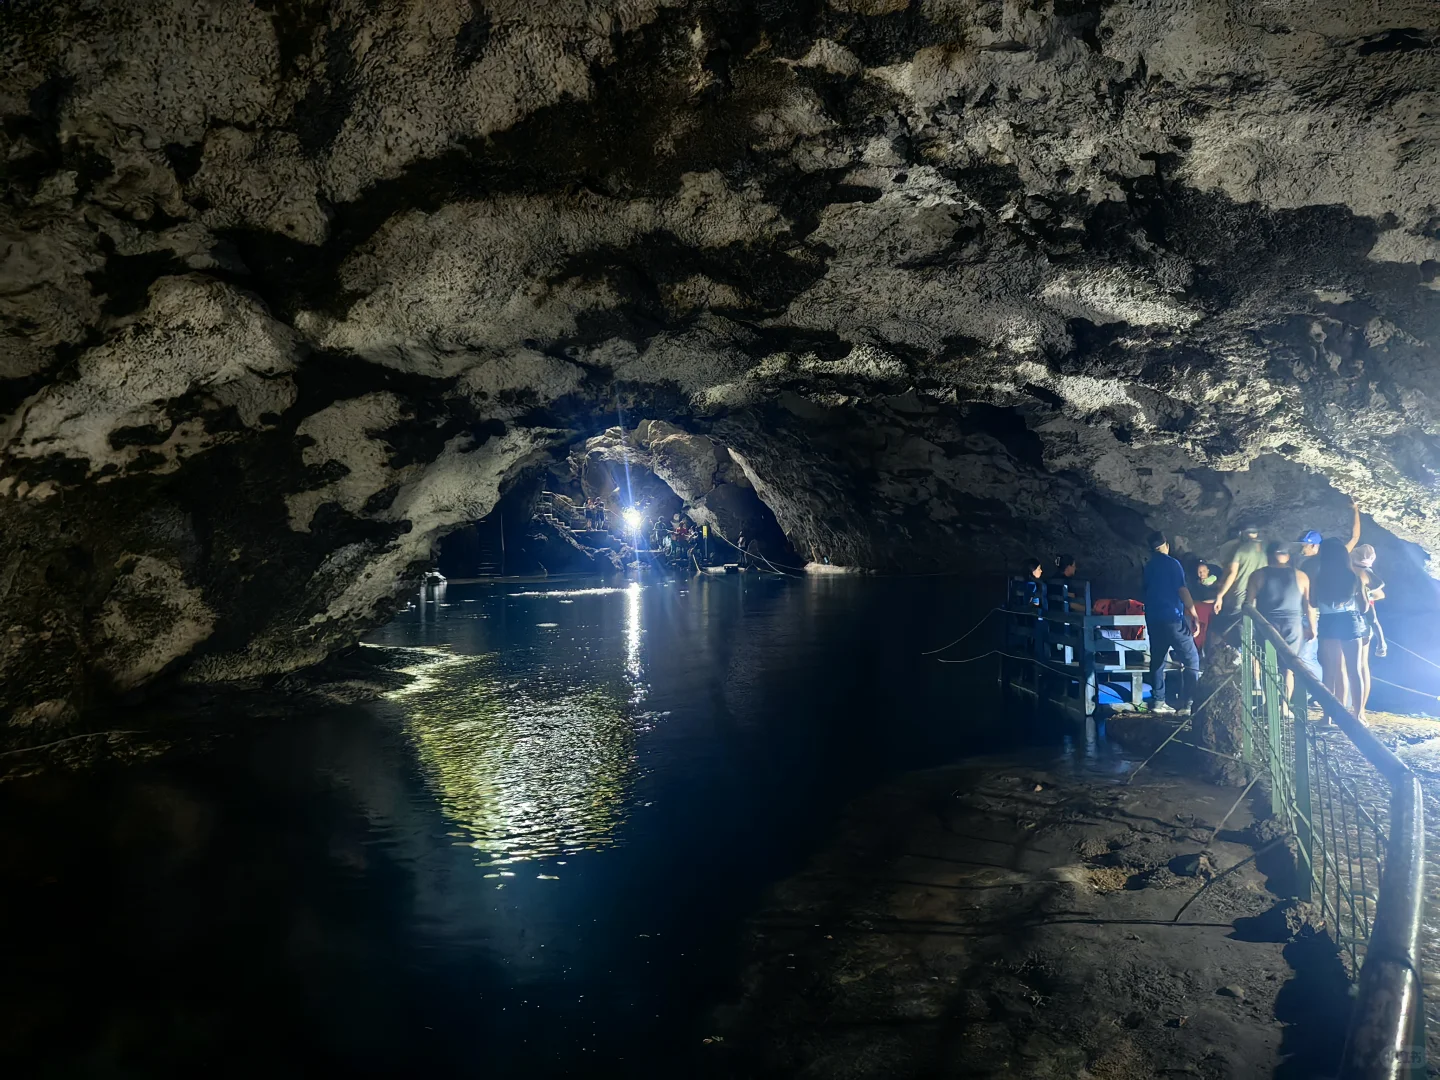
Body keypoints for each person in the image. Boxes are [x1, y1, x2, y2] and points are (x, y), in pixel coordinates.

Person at [1249, 541, 1316, 704]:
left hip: (1267, 624)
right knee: (1289, 668)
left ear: (1268, 556)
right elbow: (1309, 606)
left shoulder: (1258, 575)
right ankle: (1285, 706)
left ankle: (1270, 704)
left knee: (1268, 667)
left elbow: (1248, 604)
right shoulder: (1301, 576)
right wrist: (1313, 628)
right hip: (1293, 626)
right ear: (1287, 556)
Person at [1142, 531, 1201, 715]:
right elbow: (1182, 590)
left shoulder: (1149, 566)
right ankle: (1188, 704)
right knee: (1191, 659)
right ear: (1166, 545)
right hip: (1173, 618)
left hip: (1153, 618)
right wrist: (1194, 614)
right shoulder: (1173, 564)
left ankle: (1158, 702)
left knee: (1158, 659)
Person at [1313, 536, 1371, 720]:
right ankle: (1358, 715)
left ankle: (1327, 716)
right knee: (1354, 670)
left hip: (1328, 621)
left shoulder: (1319, 577)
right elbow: (1364, 608)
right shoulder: (1353, 577)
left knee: (1330, 670)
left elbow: (1312, 602)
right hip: (1349, 620)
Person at [1352, 544, 1387, 715]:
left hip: (1359, 620)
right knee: (1360, 665)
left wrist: (1364, 595)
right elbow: (1381, 592)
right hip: (1363, 621)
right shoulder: (1368, 574)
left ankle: (1359, 710)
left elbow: (1380, 594)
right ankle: (1359, 709)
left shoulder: (1357, 573)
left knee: (1358, 665)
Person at [1212, 524, 1267, 619]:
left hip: (1239, 597)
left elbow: (1232, 574)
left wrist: (1220, 595)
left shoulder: (1241, 550)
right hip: (1258, 598)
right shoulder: (1264, 551)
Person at [1297, 498, 1361, 574]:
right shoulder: (1336, 554)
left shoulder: (1308, 565)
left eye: (1302, 549)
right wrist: (1355, 509)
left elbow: (1354, 538)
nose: (1300, 551)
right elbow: (1355, 538)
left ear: (1313, 546)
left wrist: (1355, 510)